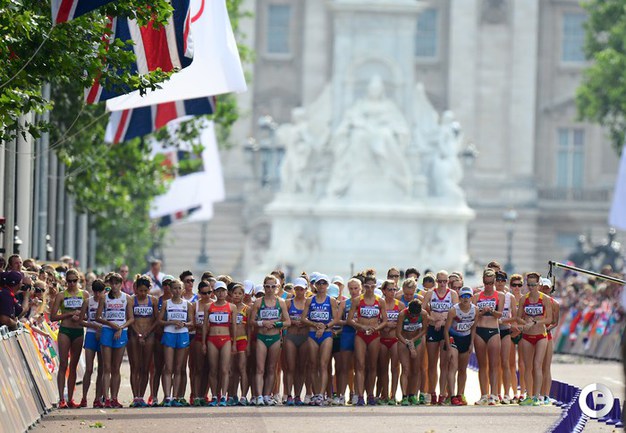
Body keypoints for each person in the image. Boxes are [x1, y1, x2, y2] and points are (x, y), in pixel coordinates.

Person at [249, 275, 291, 406]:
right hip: (261, 337)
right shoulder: (258, 302)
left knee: (272, 368)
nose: (270, 289)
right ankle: (259, 396)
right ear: (264, 287)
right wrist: (262, 323)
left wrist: (276, 324)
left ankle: (267, 395)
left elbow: (288, 322)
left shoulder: (281, 302)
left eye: (273, 286)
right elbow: (251, 321)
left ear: (277, 287)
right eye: (267, 286)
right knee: (260, 368)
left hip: (275, 337)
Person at [50, 268, 89, 408]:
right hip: (65, 330)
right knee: (63, 364)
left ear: (78, 280)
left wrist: (80, 317)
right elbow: (53, 317)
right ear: (66, 281)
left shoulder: (84, 294)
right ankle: (61, 399)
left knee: (73, 366)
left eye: (74, 281)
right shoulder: (61, 295)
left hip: (78, 331)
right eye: (69, 281)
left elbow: (89, 316)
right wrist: (69, 314)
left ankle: (70, 399)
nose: (72, 283)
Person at [348, 274, 388, 406]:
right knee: (360, 365)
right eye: (367, 286)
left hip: (374, 335)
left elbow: (385, 320)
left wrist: (376, 328)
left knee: (372, 366)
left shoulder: (380, 301)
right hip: (360, 334)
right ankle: (360, 396)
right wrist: (361, 326)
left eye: (372, 286)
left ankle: (370, 394)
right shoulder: (357, 300)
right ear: (363, 286)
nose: (370, 289)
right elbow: (349, 320)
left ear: (375, 287)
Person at [96, 272, 134, 408]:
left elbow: (131, 318)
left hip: (121, 332)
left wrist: (121, 328)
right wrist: (111, 324)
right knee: (106, 367)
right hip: (107, 331)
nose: (114, 286)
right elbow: (97, 317)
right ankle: (106, 398)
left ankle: (114, 398)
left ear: (121, 284)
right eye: (112, 283)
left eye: (117, 283)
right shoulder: (104, 297)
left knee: (116, 368)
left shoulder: (127, 298)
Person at [301, 274, 339, 406]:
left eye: (324, 283)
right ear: (315, 285)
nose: (321, 286)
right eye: (319, 283)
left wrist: (325, 327)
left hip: (326, 334)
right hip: (313, 333)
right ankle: (316, 393)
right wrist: (315, 324)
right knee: (313, 364)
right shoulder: (310, 300)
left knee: (323, 365)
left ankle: (321, 394)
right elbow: (303, 318)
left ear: (327, 285)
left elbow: (336, 319)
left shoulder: (331, 300)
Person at [516, 272, 552, 406]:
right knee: (527, 367)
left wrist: (536, 322)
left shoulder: (545, 299)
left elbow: (549, 319)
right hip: (527, 336)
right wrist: (525, 322)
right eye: (529, 285)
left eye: (534, 285)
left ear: (539, 284)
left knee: (537, 365)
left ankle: (537, 396)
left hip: (541, 335)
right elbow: (518, 317)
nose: (531, 287)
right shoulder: (523, 299)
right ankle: (529, 396)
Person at [423, 270, 458, 405]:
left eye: (445, 281)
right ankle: (432, 392)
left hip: (446, 330)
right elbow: (422, 311)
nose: (443, 284)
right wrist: (433, 320)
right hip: (433, 329)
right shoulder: (430, 293)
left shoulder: (452, 294)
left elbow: (456, 313)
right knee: (432, 364)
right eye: (440, 281)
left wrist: (443, 321)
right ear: (436, 281)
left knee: (444, 364)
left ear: (448, 282)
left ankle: (442, 394)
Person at [158, 278, 194, 407]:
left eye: (179, 288)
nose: (177, 291)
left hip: (182, 334)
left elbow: (192, 322)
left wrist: (184, 324)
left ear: (183, 289)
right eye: (175, 288)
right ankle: (167, 396)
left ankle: (176, 397)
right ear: (170, 289)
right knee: (168, 367)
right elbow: (159, 321)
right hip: (169, 334)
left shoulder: (187, 304)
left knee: (178, 368)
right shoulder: (166, 303)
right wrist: (171, 322)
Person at [473, 268, 505, 406]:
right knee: (482, 365)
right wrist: (481, 312)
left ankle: (494, 394)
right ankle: (484, 395)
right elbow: (474, 315)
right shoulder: (477, 296)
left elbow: (500, 314)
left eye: (491, 283)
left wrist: (491, 311)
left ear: (494, 282)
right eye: (486, 283)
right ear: (483, 282)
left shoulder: (500, 295)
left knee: (494, 364)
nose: (488, 286)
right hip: (480, 330)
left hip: (493, 330)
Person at [202, 281, 237, 407]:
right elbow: (205, 325)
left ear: (226, 292)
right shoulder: (208, 306)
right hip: (212, 339)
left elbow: (234, 325)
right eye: (218, 291)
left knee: (224, 369)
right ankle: (214, 395)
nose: (221, 293)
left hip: (226, 339)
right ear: (214, 293)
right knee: (213, 369)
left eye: (223, 291)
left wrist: (234, 343)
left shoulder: (232, 307)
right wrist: (203, 343)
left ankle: (223, 396)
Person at [444, 286, 478, 406]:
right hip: (453, 338)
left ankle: (460, 394)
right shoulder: (453, 310)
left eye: (468, 296)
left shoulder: (475, 310)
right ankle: (452, 396)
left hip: (466, 338)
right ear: (459, 298)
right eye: (463, 296)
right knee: (453, 366)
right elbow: (446, 330)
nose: (465, 299)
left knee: (463, 369)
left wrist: (471, 343)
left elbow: (474, 327)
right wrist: (448, 347)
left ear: (471, 298)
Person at [128, 276, 158, 407]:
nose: (143, 293)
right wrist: (138, 334)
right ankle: (135, 396)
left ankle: (141, 396)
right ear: (136, 289)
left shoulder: (153, 300)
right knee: (135, 367)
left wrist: (146, 333)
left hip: (149, 335)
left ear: (149, 289)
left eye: (145, 290)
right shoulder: (131, 300)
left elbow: (156, 319)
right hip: (134, 335)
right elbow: (129, 319)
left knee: (145, 367)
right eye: (140, 290)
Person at [396, 299, 429, 406]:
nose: (414, 317)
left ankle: (412, 395)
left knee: (416, 369)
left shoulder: (423, 314)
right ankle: (404, 396)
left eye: (416, 315)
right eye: (412, 315)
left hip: (416, 340)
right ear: (409, 311)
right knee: (405, 369)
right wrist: (408, 343)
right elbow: (398, 333)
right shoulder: (402, 314)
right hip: (403, 340)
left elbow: (424, 330)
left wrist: (413, 341)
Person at [283, 277, 309, 406]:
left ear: (306, 289)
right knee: (290, 367)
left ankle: (298, 395)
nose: (299, 292)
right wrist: (293, 322)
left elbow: (313, 318)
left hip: (304, 337)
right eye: (297, 289)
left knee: (301, 367)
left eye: (301, 289)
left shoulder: (309, 302)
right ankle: (289, 395)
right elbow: (282, 319)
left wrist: (305, 323)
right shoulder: (288, 303)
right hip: (291, 336)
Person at [149, 275, 174, 406]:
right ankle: (154, 396)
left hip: (172, 336)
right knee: (157, 368)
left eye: (170, 284)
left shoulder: (178, 301)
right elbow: (154, 319)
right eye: (165, 284)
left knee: (169, 368)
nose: (167, 286)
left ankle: (167, 396)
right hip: (159, 336)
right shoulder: (157, 300)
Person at [337, 278, 361, 405]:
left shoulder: (364, 302)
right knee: (345, 367)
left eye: (356, 288)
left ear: (360, 288)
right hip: (347, 333)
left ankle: (356, 394)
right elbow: (337, 320)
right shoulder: (344, 303)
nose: (353, 291)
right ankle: (342, 395)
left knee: (359, 366)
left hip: (360, 334)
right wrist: (349, 321)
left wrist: (360, 323)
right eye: (351, 288)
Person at [81, 279, 106, 408]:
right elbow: (81, 321)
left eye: (99, 292)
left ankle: (97, 398)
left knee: (101, 369)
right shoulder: (88, 302)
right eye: (95, 292)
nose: (97, 294)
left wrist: (101, 329)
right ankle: (84, 397)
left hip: (103, 335)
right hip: (91, 334)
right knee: (89, 369)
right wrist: (92, 325)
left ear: (103, 291)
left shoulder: (106, 302)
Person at [378, 279, 402, 405]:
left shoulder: (400, 305)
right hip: (382, 339)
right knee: (383, 368)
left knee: (395, 367)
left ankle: (393, 395)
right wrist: (385, 324)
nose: (392, 292)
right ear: (384, 291)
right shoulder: (379, 304)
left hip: (395, 339)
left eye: (394, 289)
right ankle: (385, 394)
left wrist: (394, 325)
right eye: (390, 290)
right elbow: (374, 320)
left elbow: (404, 322)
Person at [496, 270, 517, 404]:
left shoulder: (510, 297)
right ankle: (496, 393)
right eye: (498, 280)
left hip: (505, 329)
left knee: (505, 362)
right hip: (492, 330)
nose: (500, 282)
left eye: (502, 280)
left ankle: (507, 394)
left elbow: (515, 317)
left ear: (505, 282)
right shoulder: (491, 295)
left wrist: (503, 321)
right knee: (494, 363)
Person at [229, 282, 251, 406]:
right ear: (231, 294)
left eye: (239, 293)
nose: (237, 295)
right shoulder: (229, 307)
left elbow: (249, 328)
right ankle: (232, 395)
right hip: (230, 340)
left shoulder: (247, 309)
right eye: (235, 293)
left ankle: (243, 396)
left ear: (243, 295)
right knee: (232, 370)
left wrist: (248, 344)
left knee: (242, 368)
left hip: (242, 339)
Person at [191, 281, 212, 406]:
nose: (207, 295)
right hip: (198, 337)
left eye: (209, 292)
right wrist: (203, 325)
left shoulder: (214, 304)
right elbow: (192, 323)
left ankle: (204, 395)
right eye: (204, 293)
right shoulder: (195, 305)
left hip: (212, 337)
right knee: (198, 368)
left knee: (208, 368)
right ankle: (196, 395)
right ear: (199, 293)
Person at [540, 277, 559, 406]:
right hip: (534, 335)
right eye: (543, 287)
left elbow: (555, 322)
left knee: (546, 367)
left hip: (547, 336)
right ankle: (535, 394)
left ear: (551, 288)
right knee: (535, 366)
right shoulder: (534, 301)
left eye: (547, 288)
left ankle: (545, 395)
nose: (545, 290)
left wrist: (546, 328)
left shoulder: (554, 303)